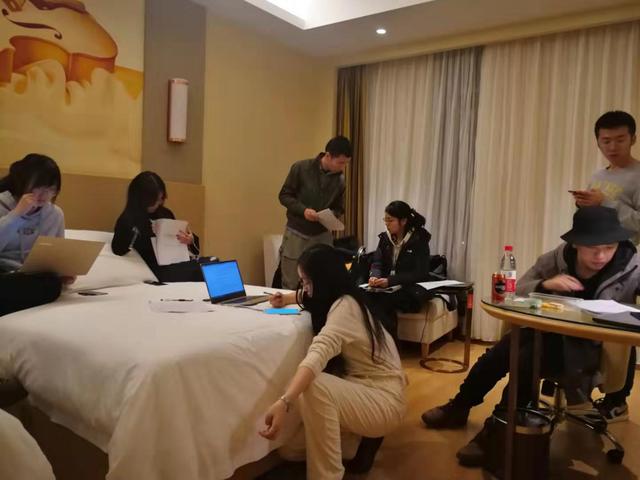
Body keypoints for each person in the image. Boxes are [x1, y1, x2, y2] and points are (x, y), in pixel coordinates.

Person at [421, 206, 640, 467]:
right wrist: (544, 285)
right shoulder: (558, 258)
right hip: (548, 338)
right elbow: (517, 290)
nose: (601, 255)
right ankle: (463, 407)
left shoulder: (631, 267)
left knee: (525, 357)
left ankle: (494, 431)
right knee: (507, 348)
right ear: (576, 243)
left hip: (593, 352)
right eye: (592, 247)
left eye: (609, 247)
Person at [260, 244, 406, 480]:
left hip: (383, 398)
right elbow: (307, 296)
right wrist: (286, 298)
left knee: (315, 385)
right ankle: (353, 443)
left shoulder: (345, 307)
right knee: (289, 450)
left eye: (307, 282)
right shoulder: (341, 294)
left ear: (322, 281)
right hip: (360, 388)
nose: (305, 289)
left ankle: (326, 475)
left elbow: (317, 354)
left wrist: (284, 401)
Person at [571, 110, 639, 421]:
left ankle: (617, 399)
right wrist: (584, 206)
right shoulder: (598, 176)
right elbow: (596, 216)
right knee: (587, 320)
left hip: (625, 259)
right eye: (606, 140)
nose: (612, 146)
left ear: (633, 139)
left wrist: (606, 203)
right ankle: (582, 386)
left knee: (620, 330)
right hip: (594, 255)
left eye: (620, 139)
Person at [278, 136, 351, 289]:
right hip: (297, 232)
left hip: (322, 234)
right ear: (328, 156)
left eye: (346, 163)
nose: (343, 167)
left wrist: (329, 215)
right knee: (291, 281)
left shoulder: (340, 180)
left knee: (323, 281)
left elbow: (339, 208)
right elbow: (284, 195)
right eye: (340, 163)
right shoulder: (301, 168)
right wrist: (303, 210)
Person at [111, 171, 203, 282]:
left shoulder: (165, 213)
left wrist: (189, 240)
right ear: (142, 199)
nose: (159, 203)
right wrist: (137, 229)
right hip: (156, 270)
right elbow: (118, 249)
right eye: (155, 199)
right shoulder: (128, 220)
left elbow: (187, 244)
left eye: (161, 198)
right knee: (202, 271)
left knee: (211, 263)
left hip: (175, 262)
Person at [367, 200, 432, 336]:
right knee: (364, 295)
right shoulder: (385, 238)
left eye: (390, 220)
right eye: (385, 219)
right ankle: (375, 341)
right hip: (388, 286)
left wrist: (390, 281)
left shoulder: (419, 239)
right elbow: (377, 261)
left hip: (410, 289)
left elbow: (420, 273)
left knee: (384, 301)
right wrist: (375, 276)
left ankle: (388, 343)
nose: (386, 223)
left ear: (403, 221)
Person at [0, 153, 64, 272]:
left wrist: (63, 271)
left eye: (51, 189)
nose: (44, 195)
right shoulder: (2, 205)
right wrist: (16, 214)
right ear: (23, 183)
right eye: (39, 187)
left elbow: (58, 253)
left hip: (34, 272)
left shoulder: (55, 214)